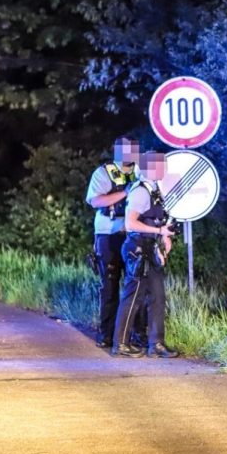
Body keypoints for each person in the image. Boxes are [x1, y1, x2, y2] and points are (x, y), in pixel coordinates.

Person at [112, 151, 178, 358]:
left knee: (158, 296)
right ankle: (120, 344)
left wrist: (165, 238)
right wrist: (160, 232)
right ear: (150, 168)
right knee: (134, 297)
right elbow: (130, 223)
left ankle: (156, 344)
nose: (165, 168)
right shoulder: (141, 191)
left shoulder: (155, 190)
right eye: (161, 164)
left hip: (151, 247)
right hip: (138, 248)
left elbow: (160, 220)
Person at [85, 136, 142, 348]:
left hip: (134, 233)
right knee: (109, 285)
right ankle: (107, 334)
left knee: (135, 285)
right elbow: (95, 200)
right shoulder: (104, 172)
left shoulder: (140, 171)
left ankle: (135, 334)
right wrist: (125, 193)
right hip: (109, 232)